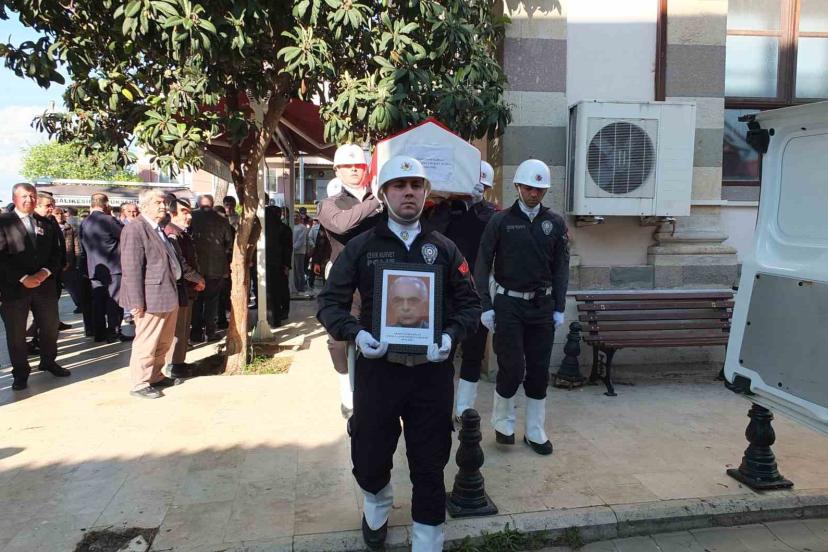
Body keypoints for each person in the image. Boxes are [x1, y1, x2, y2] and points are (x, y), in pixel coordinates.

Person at [318, 155, 480, 552]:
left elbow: (470, 305)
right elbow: (330, 304)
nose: (408, 192)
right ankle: (377, 502)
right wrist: (355, 334)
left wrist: (450, 336)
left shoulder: (444, 249)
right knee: (370, 455)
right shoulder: (361, 247)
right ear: (383, 193)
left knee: (430, 461)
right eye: (399, 185)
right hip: (379, 371)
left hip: (431, 373)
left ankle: (428, 538)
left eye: (416, 186)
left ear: (425, 194)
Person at [474, 158, 570, 456]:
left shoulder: (554, 223)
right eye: (529, 188)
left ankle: (534, 430)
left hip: (542, 305)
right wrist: (485, 305)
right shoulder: (501, 221)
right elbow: (482, 263)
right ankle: (503, 422)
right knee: (512, 367)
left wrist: (559, 306)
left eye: (540, 189)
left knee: (539, 370)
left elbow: (561, 267)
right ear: (517, 186)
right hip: (508, 304)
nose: (534, 193)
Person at [316, 144, 383, 419]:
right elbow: (341, 224)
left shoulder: (381, 198)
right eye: (347, 165)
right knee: (339, 340)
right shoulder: (329, 204)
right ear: (337, 170)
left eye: (359, 165)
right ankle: (347, 394)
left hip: (377, 278)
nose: (354, 169)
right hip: (345, 282)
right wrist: (375, 202)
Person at [0, 183, 70, 390]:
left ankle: (48, 361)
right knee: (16, 334)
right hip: (14, 288)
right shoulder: (3, 222)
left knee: (49, 328)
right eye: (24, 196)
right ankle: (20, 373)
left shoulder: (46, 223)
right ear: (14, 198)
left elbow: (56, 253)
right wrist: (23, 278)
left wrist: (44, 273)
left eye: (32, 196)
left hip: (44, 286)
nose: (29, 200)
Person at [120, 189, 184, 399]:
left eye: (164, 202)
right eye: (158, 203)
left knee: (164, 341)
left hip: (167, 293)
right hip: (150, 298)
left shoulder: (157, 228)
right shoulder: (135, 229)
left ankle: (155, 375)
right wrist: (137, 302)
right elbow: (131, 268)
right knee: (147, 342)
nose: (163, 206)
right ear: (144, 205)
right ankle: (140, 383)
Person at [449, 160, 498, 421]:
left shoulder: (492, 214)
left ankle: (464, 407)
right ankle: (440, 402)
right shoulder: (446, 210)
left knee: (474, 351)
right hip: (448, 291)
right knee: (444, 350)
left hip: (478, 290)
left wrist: (476, 206)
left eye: (483, 187)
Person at [164, 198, 205, 378]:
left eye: (189, 212)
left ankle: (179, 362)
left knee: (184, 327)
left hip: (187, 288)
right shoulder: (172, 233)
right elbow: (179, 263)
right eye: (184, 212)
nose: (189, 216)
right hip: (180, 288)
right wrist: (197, 278)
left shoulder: (181, 232)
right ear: (172, 213)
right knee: (178, 329)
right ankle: (174, 365)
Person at [80, 193, 126, 342]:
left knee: (98, 302)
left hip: (94, 268)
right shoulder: (108, 220)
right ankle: (114, 331)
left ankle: (99, 332)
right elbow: (125, 235)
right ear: (106, 204)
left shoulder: (84, 222)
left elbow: (82, 246)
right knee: (114, 301)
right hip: (113, 267)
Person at [189, 194, 233, 342]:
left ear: (198, 204)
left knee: (196, 302)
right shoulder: (222, 220)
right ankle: (211, 332)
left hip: (195, 267)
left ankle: (196, 333)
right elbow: (228, 242)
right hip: (216, 267)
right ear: (213, 204)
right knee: (212, 302)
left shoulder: (192, 217)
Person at [264, 205, 292, 326]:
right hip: (276, 264)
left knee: (277, 290)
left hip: (275, 265)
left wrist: (286, 265)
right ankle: (279, 314)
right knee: (278, 290)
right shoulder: (282, 229)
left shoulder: (281, 229)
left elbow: (287, 249)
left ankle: (279, 314)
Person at [54, 207, 84, 317]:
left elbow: (77, 246)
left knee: (73, 287)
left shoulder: (70, 228)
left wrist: (77, 262)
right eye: (57, 213)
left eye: (61, 213)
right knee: (55, 291)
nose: (59, 216)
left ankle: (80, 305)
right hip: (55, 265)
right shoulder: (50, 227)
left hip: (69, 263)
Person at [291, 212, 310, 293]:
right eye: (294, 216)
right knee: (294, 271)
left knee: (299, 270)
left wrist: (293, 247)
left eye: (297, 216)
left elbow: (301, 240)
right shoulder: (291, 226)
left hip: (299, 252)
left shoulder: (302, 227)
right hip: (292, 252)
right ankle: (295, 287)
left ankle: (301, 288)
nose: (295, 217)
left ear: (300, 217)